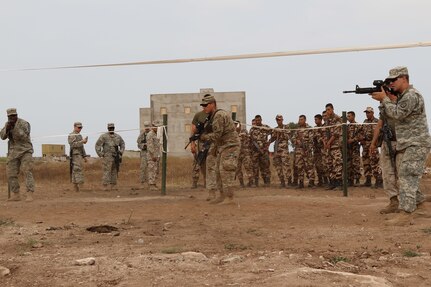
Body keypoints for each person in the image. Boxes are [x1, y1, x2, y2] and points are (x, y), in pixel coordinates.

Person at [371, 66, 431, 224]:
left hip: (415, 142)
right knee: (407, 174)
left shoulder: (410, 95)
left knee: (406, 175)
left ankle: (406, 214)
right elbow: (391, 114)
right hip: (411, 142)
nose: (391, 83)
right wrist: (386, 100)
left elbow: (397, 114)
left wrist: (384, 99)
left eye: (394, 80)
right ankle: (419, 206)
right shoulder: (404, 96)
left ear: (404, 78)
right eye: (389, 81)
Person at [199, 95, 240, 204]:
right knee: (217, 171)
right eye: (203, 106)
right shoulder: (213, 116)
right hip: (223, 146)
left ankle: (229, 198)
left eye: (206, 105)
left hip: (230, 145)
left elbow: (217, 135)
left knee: (225, 170)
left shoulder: (219, 115)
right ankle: (222, 196)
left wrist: (203, 137)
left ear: (213, 104)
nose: (204, 107)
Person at [370, 90, 398, 214]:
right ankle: (394, 202)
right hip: (387, 142)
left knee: (403, 173)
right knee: (387, 173)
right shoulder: (384, 107)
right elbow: (379, 125)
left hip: (402, 142)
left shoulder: (402, 101)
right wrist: (373, 143)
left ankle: (409, 201)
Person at [0, 108, 35, 201]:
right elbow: (2, 137)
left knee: (27, 170)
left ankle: (29, 193)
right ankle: (16, 194)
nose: (12, 118)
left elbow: (24, 136)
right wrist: (7, 129)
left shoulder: (24, 123)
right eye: (10, 116)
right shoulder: (7, 124)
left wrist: (15, 127)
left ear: (17, 115)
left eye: (14, 116)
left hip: (25, 150)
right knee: (10, 172)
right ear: (8, 117)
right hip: (13, 151)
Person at [95, 123, 125, 191]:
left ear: (114, 128)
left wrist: (121, 152)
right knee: (107, 171)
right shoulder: (103, 136)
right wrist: (101, 154)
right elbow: (97, 145)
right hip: (107, 156)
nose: (111, 129)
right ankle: (105, 185)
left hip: (116, 156)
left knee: (115, 170)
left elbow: (122, 144)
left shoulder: (118, 137)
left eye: (112, 128)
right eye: (110, 128)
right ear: (108, 128)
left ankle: (113, 185)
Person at [360, 107, 383, 188]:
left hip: (373, 145)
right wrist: (362, 138)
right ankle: (368, 180)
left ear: (372, 113)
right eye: (366, 112)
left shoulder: (376, 122)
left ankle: (379, 181)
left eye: (368, 112)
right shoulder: (365, 122)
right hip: (365, 145)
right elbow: (361, 131)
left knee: (374, 163)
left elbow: (378, 134)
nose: (367, 114)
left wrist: (374, 143)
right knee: (366, 163)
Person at [268, 114, 292, 188]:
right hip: (276, 150)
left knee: (286, 166)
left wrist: (281, 132)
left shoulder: (286, 127)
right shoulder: (275, 129)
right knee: (278, 166)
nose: (278, 121)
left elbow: (288, 137)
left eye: (279, 119)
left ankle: (289, 182)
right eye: (277, 120)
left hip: (284, 150)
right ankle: (282, 182)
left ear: (282, 120)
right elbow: (272, 139)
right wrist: (269, 141)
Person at [322, 103, 342, 190]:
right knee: (329, 164)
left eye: (329, 109)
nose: (327, 111)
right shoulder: (327, 120)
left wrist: (329, 143)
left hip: (335, 145)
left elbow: (336, 134)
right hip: (328, 146)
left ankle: (339, 183)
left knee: (337, 164)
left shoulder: (337, 119)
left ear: (332, 109)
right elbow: (324, 132)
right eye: (326, 110)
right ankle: (332, 183)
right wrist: (325, 143)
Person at [249, 115, 272, 187]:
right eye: (256, 120)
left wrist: (269, 142)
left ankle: (267, 182)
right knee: (255, 167)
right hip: (255, 151)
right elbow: (250, 140)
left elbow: (273, 133)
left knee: (265, 167)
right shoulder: (252, 129)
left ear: (261, 120)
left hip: (264, 151)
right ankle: (256, 183)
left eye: (259, 120)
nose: (257, 122)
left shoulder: (266, 127)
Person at [293, 115, 315, 188]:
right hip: (299, 151)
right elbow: (293, 139)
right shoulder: (297, 129)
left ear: (305, 120)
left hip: (307, 150)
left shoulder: (309, 129)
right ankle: (301, 182)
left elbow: (311, 140)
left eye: (302, 119)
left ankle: (311, 182)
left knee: (310, 166)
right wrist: (296, 141)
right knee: (299, 167)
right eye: (299, 119)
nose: (300, 121)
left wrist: (308, 149)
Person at [190, 110, 209, 189]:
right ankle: (194, 182)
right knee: (196, 163)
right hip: (198, 145)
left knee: (206, 165)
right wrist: (192, 144)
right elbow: (192, 134)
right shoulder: (198, 124)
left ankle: (206, 182)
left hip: (207, 145)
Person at [68, 122, 88, 192]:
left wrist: (84, 156)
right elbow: (72, 145)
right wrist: (82, 141)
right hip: (75, 155)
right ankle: (79, 187)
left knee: (76, 170)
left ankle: (76, 188)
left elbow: (81, 147)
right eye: (79, 127)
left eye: (81, 127)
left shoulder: (79, 135)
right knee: (77, 170)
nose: (80, 129)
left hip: (79, 155)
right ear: (74, 127)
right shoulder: (72, 135)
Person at [235, 121, 253, 187]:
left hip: (245, 153)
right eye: (235, 125)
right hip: (237, 154)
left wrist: (237, 133)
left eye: (237, 125)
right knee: (238, 169)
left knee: (248, 167)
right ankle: (241, 183)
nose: (237, 126)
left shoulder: (244, 131)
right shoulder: (233, 133)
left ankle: (251, 182)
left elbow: (244, 136)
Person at [346, 111, 362, 186]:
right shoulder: (346, 126)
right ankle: (350, 180)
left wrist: (353, 140)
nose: (348, 118)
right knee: (349, 164)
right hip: (348, 148)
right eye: (347, 116)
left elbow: (361, 136)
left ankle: (357, 179)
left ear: (353, 116)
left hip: (355, 147)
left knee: (356, 164)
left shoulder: (358, 125)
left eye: (349, 116)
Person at [147, 120, 162, 190]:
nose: (157, 128)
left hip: (157, 154)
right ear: (152, 127)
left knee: (156, 170)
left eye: (158, 127)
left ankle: (154, 183)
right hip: (152, 156)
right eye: (156, 126)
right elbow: (150, 146)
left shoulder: (158, 134)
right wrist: (153, 155)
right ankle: (151, 184)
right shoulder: (150, 134)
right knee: (152, 169)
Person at [313, 114, 327, 186]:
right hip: (316, 150)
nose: (315, 121)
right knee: (317, 166)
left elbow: (323, 138)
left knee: (324, 165)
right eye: (314, 119)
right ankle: (320, 181)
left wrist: (321, 139)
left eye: (316, 119)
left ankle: (326, 180)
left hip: (323, 149)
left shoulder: (324, 127)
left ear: (320, 120)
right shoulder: (314, 128)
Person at [137, 121, 151, 189]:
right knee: (143, 168)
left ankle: (151, 183)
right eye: (145, 126)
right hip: (144, 153)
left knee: (151, 168)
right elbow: (138, 144)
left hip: (151, 153)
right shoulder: (141, 135)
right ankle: (142, 183)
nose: (147, 127)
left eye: (148, 126)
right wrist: (143, 146)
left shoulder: (153, 134)